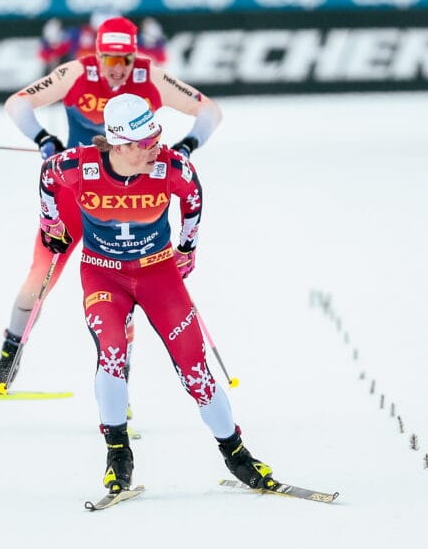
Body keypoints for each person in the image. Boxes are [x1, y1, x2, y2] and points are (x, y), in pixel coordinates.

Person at [0, 16, 221, 396]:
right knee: (39, 278)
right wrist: (44, 139)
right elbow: (17, 104)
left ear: (135, 56)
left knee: (125, 288)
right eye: (108, 60)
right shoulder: (75, 72)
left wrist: (185, 147)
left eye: (124, 61)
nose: (116, 70)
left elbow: (210, 111)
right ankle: (5, 366)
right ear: (95, 54)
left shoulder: (152, 77)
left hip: (134, 196)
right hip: (77, 191)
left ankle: (120, 384)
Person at [37, 93, 273, 493]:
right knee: (112, 351)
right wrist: (51, 225)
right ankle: (118, 452)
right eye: (145, 143)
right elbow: (47, 177)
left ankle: (236, 454)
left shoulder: (171, 165)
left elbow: (194, 200)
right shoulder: (79, 165)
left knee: (194, 366)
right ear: (119, 144)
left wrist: (187, 246)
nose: (156, 148)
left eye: (156, 136)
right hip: (103, 275)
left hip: (158, 275)